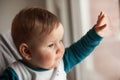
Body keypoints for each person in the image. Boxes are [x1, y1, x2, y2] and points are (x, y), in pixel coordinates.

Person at [0, 7, 109, 80]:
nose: (60, 48)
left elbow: (79, 50)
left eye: (60, 41)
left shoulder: (60, 63)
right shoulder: (15, 74)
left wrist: (95, 34)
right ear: (27, 52)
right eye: (51, 45)